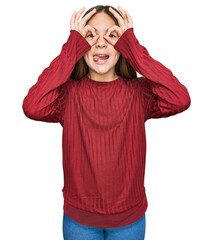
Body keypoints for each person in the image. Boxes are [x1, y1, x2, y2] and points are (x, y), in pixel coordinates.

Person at [22, 4, 191, 240]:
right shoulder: (68, 94)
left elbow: (179, 99)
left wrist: (134, 49)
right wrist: (71, 50)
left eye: (112, 36)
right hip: (79, 221)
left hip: (128, 221)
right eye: (90, 35)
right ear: (80, 44)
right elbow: (32, 106)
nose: (100, 43)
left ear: (124, 46)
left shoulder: (138, 93)